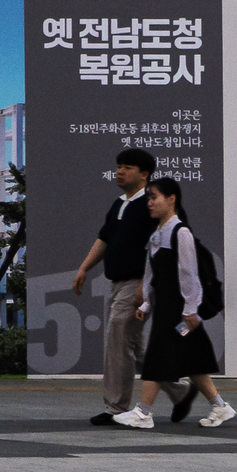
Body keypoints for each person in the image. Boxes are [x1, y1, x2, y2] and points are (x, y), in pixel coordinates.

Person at [111, 176, 232, 431]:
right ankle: (220, 406)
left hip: (179, 313)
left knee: (157, 354)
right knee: (194, 359)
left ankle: (143, 413)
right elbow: (152, 272)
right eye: (149, 199)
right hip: (168, 309)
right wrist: (145, 305)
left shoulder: (181, 233)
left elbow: (188, 274)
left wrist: (190, 311)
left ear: (171, 199)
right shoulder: (158, 233)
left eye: (154, 198)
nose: (150, 203)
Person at [69, 147, 159, 429]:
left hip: (137, 283)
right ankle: (181, 387)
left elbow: (160, 248)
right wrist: (85, 267)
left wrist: (146, 285)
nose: (120, 171)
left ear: (144, 174)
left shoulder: (151, 205)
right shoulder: (119, 203)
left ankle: (115, 407)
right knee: (134, 348)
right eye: (119, 166)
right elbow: (104, 239)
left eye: (127, 167)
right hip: (118, 283)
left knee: (118, 342)